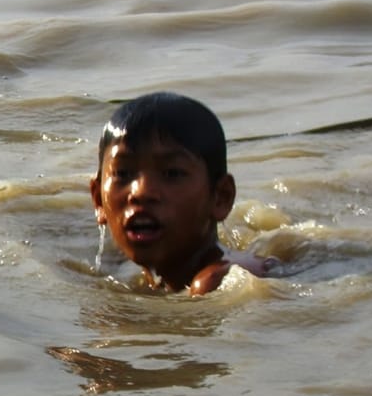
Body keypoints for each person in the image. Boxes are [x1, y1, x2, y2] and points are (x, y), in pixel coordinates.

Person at [89, 91, 274, 296]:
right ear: (98, 201)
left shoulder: (213, 283)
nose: (141, 192)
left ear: (221, 197)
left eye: (172, 173)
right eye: (123, 173)